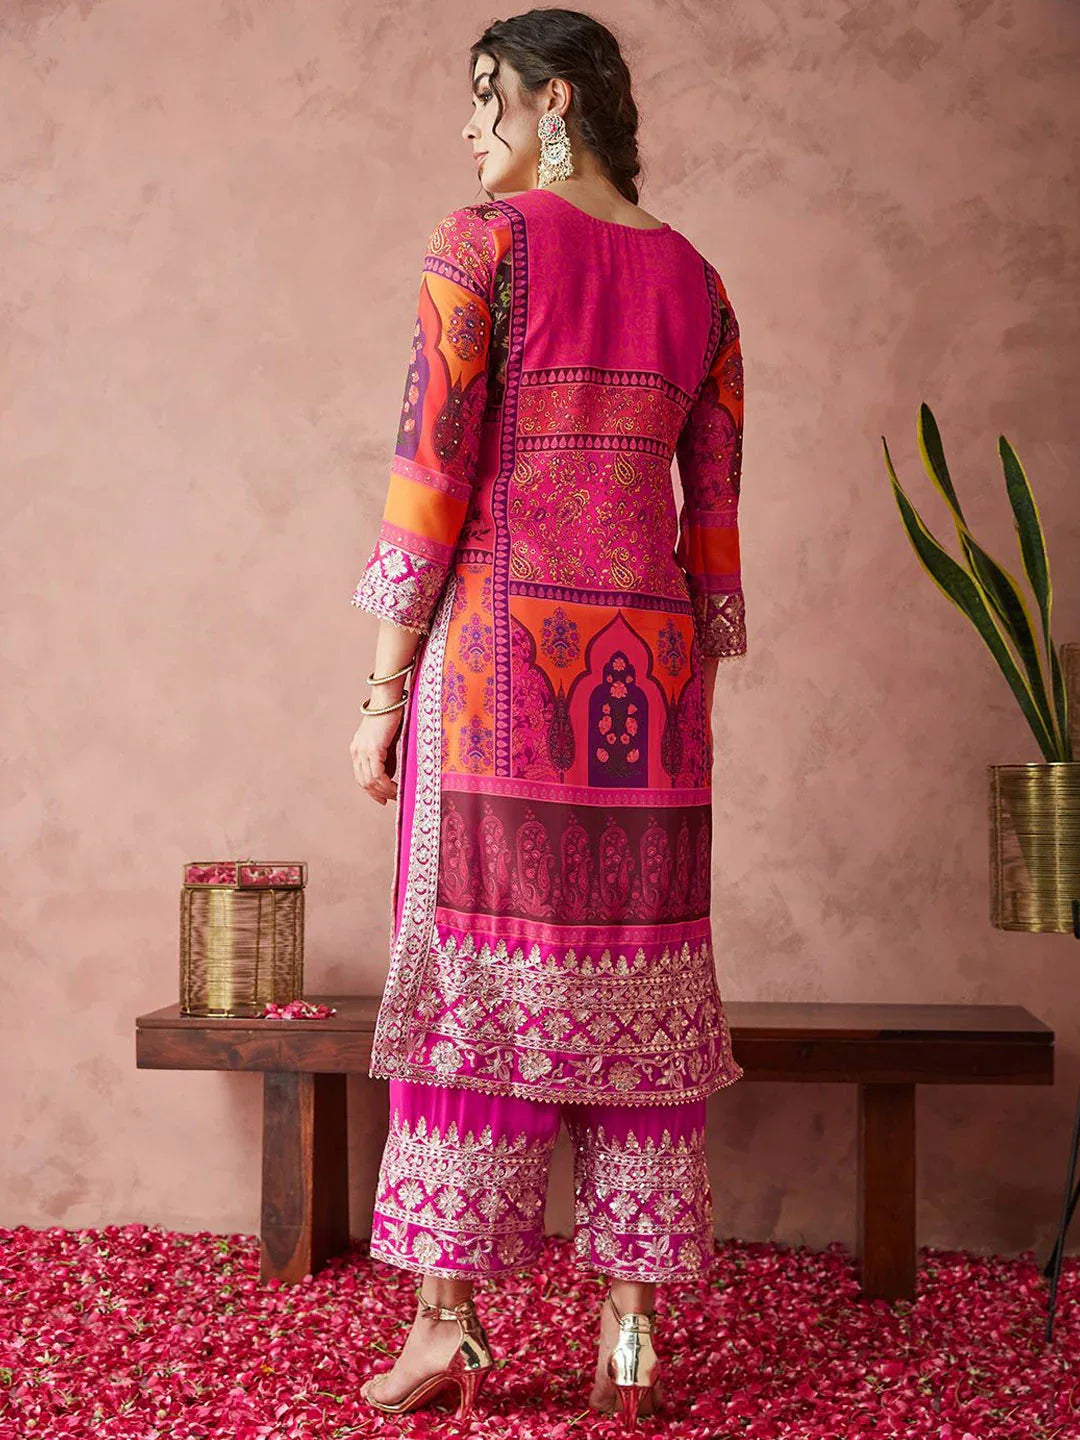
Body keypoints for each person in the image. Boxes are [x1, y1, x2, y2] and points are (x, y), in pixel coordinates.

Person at [348, 9, 746, 1430]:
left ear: (554, 100)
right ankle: (629, 1344)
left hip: (503, 689)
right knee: (635, 999)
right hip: (652, 706)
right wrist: (690, 669)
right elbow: (715, 533)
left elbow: (428, 475)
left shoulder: (486, 247)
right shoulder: (699, 283)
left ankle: (446, 1329)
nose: (472, 132)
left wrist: (385, 687)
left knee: (474, 994)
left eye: (486, 99)